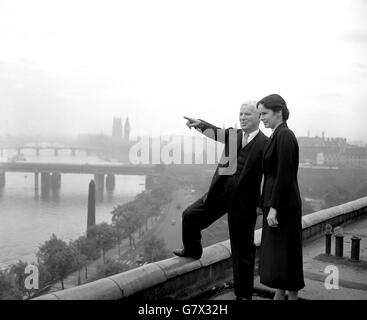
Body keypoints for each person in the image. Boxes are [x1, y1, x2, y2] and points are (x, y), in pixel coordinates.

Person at [173, 101, 268, 300]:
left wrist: (261, 204)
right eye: (241, 114)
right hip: (220, 194)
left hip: (244, 203)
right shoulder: (234, 136)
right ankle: (192, 250)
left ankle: (243, 295)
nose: (242, 117)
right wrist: (199, 124)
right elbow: (216, 132)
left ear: (259, 117)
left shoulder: (265, 144)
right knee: (190, 216)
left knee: (242, 250)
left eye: (247, 114)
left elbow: (270, 178)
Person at [257, 94, 305, 300]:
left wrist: (274, 208)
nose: (262, 118)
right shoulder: (276, 135)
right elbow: (270, 176)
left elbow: (284, 174)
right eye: (260, 114)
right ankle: (280, 296)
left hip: (284, 206)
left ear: (278, 112)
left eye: (264, 113)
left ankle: (290, 298)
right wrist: (263, 205)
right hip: (277, 204)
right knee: (281, 257)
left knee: (287, 256)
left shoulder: (285, 135)